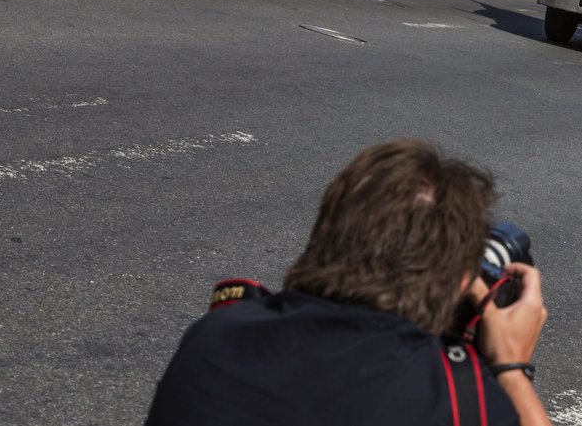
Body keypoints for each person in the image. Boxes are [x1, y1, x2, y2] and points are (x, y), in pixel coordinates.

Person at [146, 140, 551, 426]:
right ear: (462, 283)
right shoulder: (456, 397)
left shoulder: (214, 336)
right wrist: (511, 369)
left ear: (327, 231)